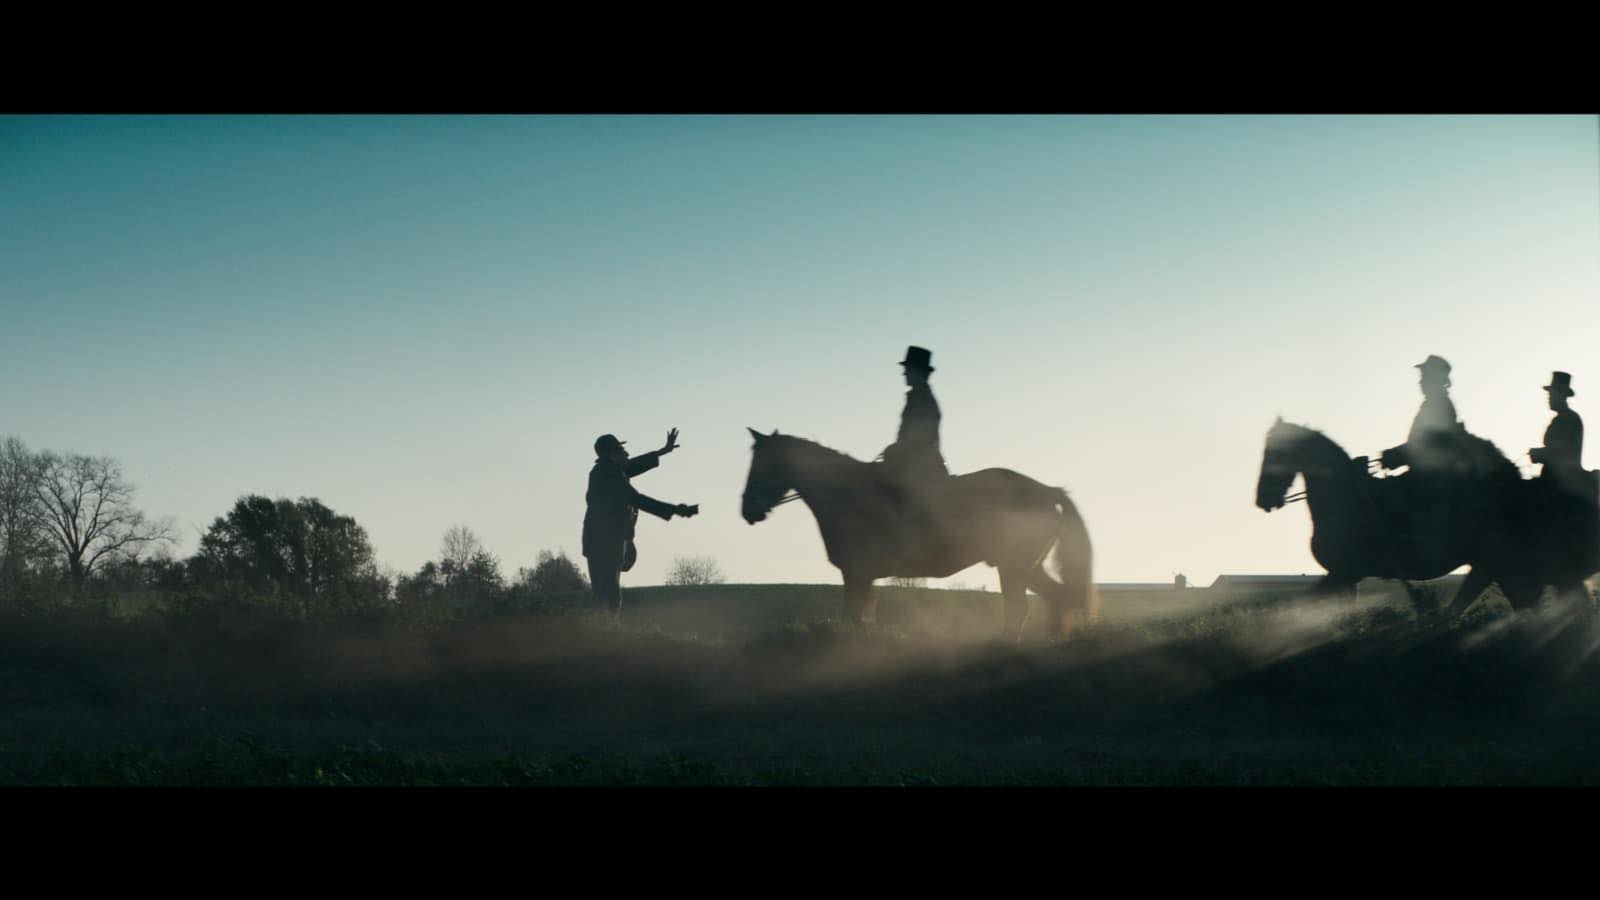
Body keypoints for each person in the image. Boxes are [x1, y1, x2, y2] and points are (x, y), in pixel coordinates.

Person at [581, 429, 698, 615]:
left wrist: (662, 451)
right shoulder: (608, 478)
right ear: (613, 456)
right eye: (622, 451)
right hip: (604, 544)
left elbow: (632, 465)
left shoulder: (609, 471)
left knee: (607, 595)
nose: (627, 454)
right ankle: (601, 629)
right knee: (608, 597)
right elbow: (636, 499)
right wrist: (676, 510)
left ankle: (603, 627)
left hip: (606, 542)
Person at [880, 345, 949, 491]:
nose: (904, 373)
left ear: (917, 371)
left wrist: (896, 449)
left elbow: (920, 436)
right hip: (915, 460)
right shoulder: (919, 397)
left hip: (919, 465)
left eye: (908, 369)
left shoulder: (922, 399)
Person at [1530, 371, 1593, 506]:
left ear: (1561, 395)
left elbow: (1562, 452)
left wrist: (1537, 454)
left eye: (1552, 394)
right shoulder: (1564, 418)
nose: (1549, 398)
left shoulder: (1568, 419)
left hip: (1560, 481)